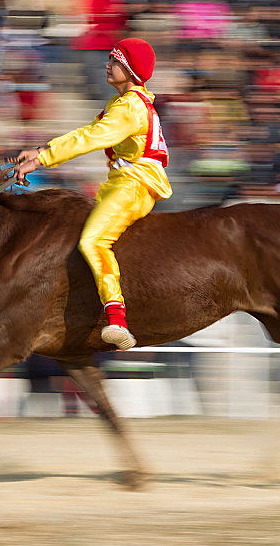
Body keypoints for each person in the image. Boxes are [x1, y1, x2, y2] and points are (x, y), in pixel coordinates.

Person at [14, 38, 172, 351]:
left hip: (133, 185)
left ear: (128, 69)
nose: (107, 65)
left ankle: (117, 319)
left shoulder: (129, 108)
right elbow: (87, 132)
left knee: (92, 241)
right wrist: (43, 153)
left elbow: (92, 137)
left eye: (114, 60)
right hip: (122, 184)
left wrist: (43, 157)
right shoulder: (124, 103)